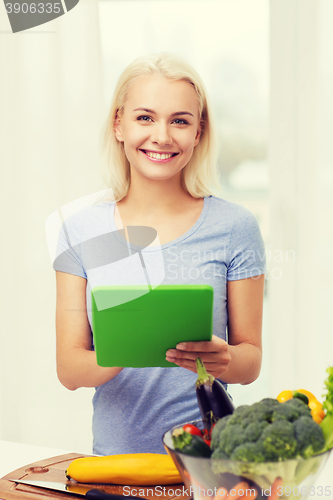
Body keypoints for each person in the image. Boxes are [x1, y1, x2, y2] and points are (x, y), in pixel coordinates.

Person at [54, 53, 266, 456]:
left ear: (199, 131)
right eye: (145, 118)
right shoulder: (80, 231)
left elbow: (250, 362)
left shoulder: (236, 227)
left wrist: (223, 358)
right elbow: (69, 369)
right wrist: (132, 344)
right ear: (119, 124)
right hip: (116, 464)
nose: (162, 136)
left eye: (180, 120)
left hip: (210, 463)